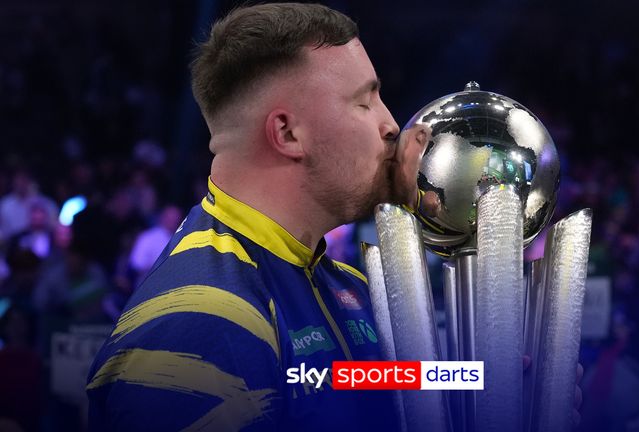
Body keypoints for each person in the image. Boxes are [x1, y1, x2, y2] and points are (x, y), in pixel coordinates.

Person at [86, 3, 580, 431]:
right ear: (288, 134)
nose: (392, 124)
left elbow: (354, 378)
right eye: (364, 101)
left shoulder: (343, 285)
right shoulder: (200, 321)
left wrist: (481, 383)